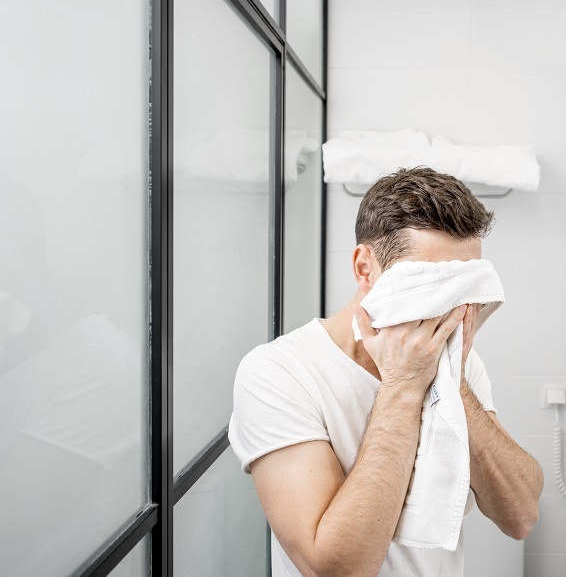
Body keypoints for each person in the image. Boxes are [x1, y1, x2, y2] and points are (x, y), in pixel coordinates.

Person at [229, 166, 543, 577]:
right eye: (431, 287)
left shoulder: (459, 365)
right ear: (365, 269)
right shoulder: (279, 372)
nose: (451, 310)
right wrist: (404, 385)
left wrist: (452, 380)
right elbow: (336, 568)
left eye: (464, 289)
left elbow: (520, 516)